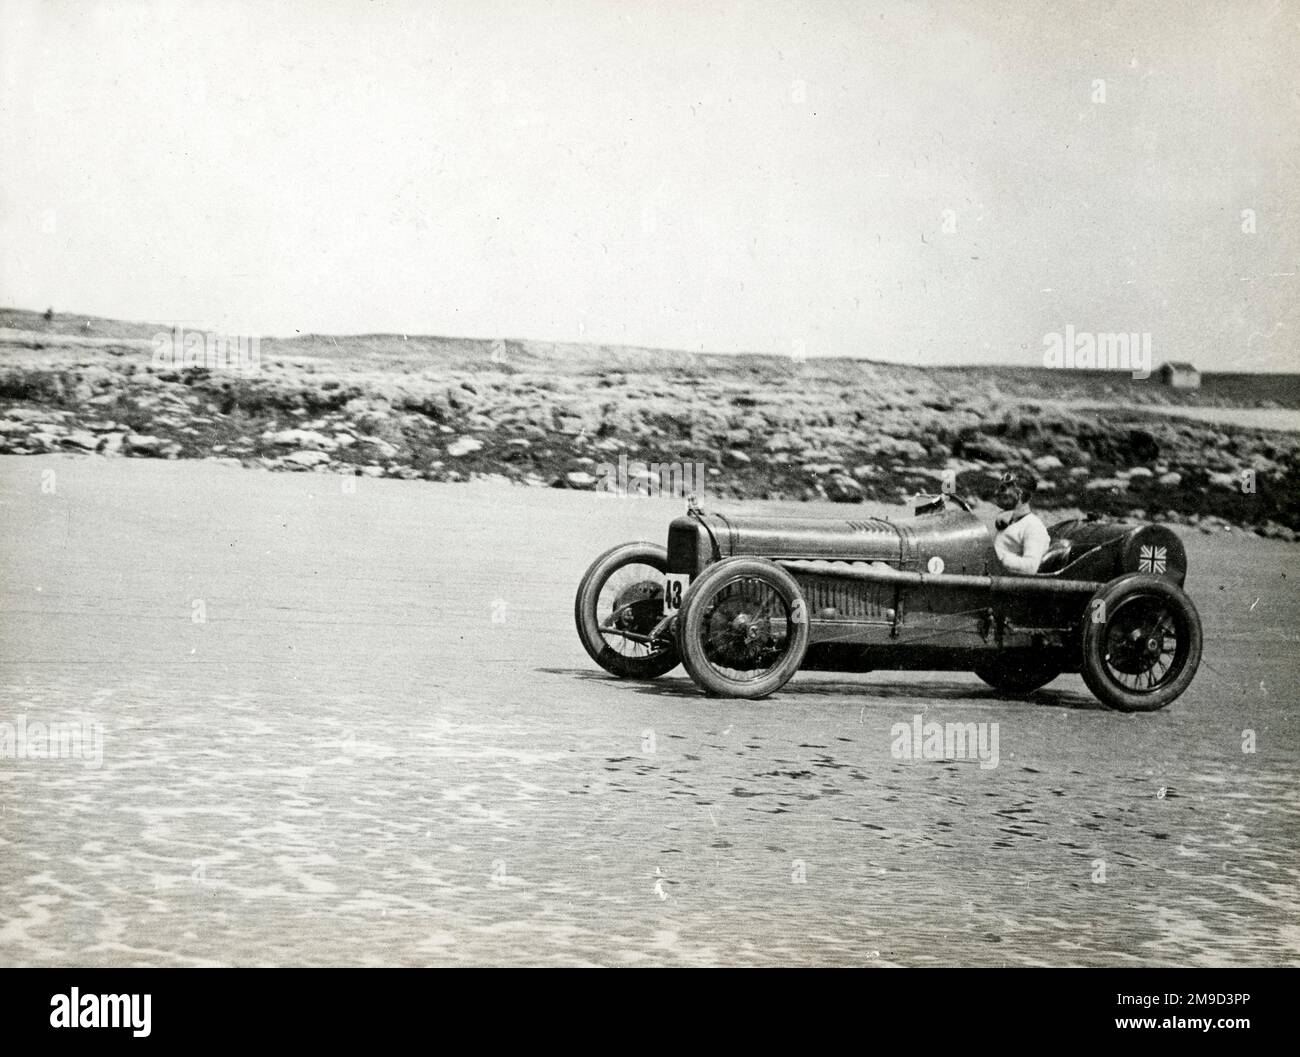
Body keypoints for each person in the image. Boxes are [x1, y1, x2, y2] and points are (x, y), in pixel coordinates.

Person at [992, 470, 1050, 574]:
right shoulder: (1006, 520)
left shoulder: (1033, 526)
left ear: (1019, 494)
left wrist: (997, 558)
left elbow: (1030, 567)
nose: (996, 493)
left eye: (1002, 489)